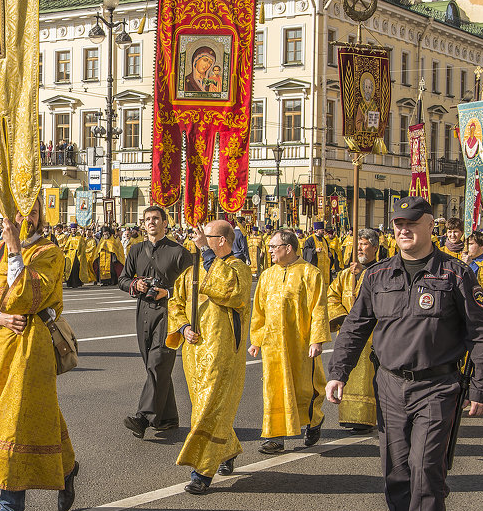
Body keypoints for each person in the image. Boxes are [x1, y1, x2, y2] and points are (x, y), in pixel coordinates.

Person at [326, 196, 483, 511]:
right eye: (398, 224)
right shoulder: (378, 275)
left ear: (429, 226)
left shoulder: (454, 273)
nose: (403, 230)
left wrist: (482, 385)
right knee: (396, 472)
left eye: (411, 223)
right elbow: (355, 326)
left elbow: (481, 331)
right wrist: (338, 373)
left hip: (437, 386)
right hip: (389, 385)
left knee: (426, 469)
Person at [0, 196, 79, 511]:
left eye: (31, 211)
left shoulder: (49, 252)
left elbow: (27, 296)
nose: (25, 217)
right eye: (19, 211)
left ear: (41, 216)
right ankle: (68, 467)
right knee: (38, 412)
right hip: (3, 345)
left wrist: (16, 250)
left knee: (12, 419)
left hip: (34, 344)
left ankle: (10, 508)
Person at [167, 221, 251, 493]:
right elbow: (176, 303)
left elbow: (228, 290)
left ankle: (201, 473)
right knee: (204, 406)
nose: (199, 239)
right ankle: (226, 448)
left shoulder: (238, 269)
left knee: (208, 407)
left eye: (207, 236)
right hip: (194, 353)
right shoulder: (192, 272)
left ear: (222, 241)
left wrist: (204, 251)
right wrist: (184, 327)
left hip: (223, 353)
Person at [249, 229, 330, 454]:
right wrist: (256, 339)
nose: (270, 250)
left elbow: (319, 309)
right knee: (273, 389)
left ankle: (314, 420)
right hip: (273, 345)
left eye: (274, 246)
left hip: (301, 343)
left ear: (288, 248)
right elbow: (259, 311)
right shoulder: (267, 275)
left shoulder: (310, 273)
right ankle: (275, 437)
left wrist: (317, 340)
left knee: (305, 387)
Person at [118, 205, 194, 439]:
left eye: (156, 219)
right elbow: (123, 279)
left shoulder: (179, 252)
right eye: (147, 219)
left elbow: (191, 285)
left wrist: (168, 292)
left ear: (164, 222)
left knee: (158, 363)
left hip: (170, 314)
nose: (151, 222)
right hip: (144, 312)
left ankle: (144, 417)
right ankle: (168, 418)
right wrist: (135, 285)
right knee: (155, 367)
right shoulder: (136, 250)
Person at [327, 228, 381, 433]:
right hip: (349, 332)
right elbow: (331, 297)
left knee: (369, 378)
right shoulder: (344, 275)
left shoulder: (380, 272)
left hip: (372, 335)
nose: (359, 248)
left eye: (365, 244)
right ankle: (350, 417)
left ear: (375, 247)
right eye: (357, 244)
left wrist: (364, 274)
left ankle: (368, 418)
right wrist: (343, 318)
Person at [302, 220, 338, 286]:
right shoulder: (310, 239)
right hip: (316, 265)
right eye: (322, 230)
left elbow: (327, 249)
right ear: (317, 230)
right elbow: (306, 250)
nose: (323, 232)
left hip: (325, 267)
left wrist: (329, 253)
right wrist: (314, 250)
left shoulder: (324, 240)